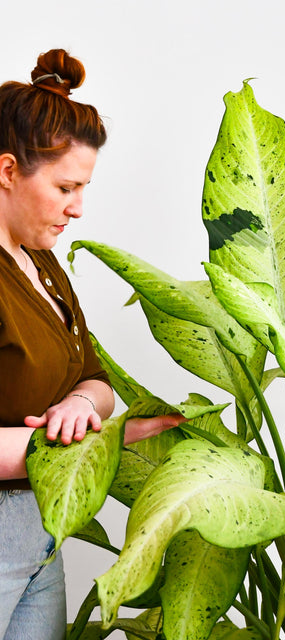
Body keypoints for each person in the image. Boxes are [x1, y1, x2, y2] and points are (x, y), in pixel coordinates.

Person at [0, 49, 185, 639]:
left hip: (45, 528)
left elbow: (94, 375)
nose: (78, 207)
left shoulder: (45, 265)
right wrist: (88, 445)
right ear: (7, 171)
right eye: (65, 187)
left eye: (84, 187)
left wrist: (84, 409)